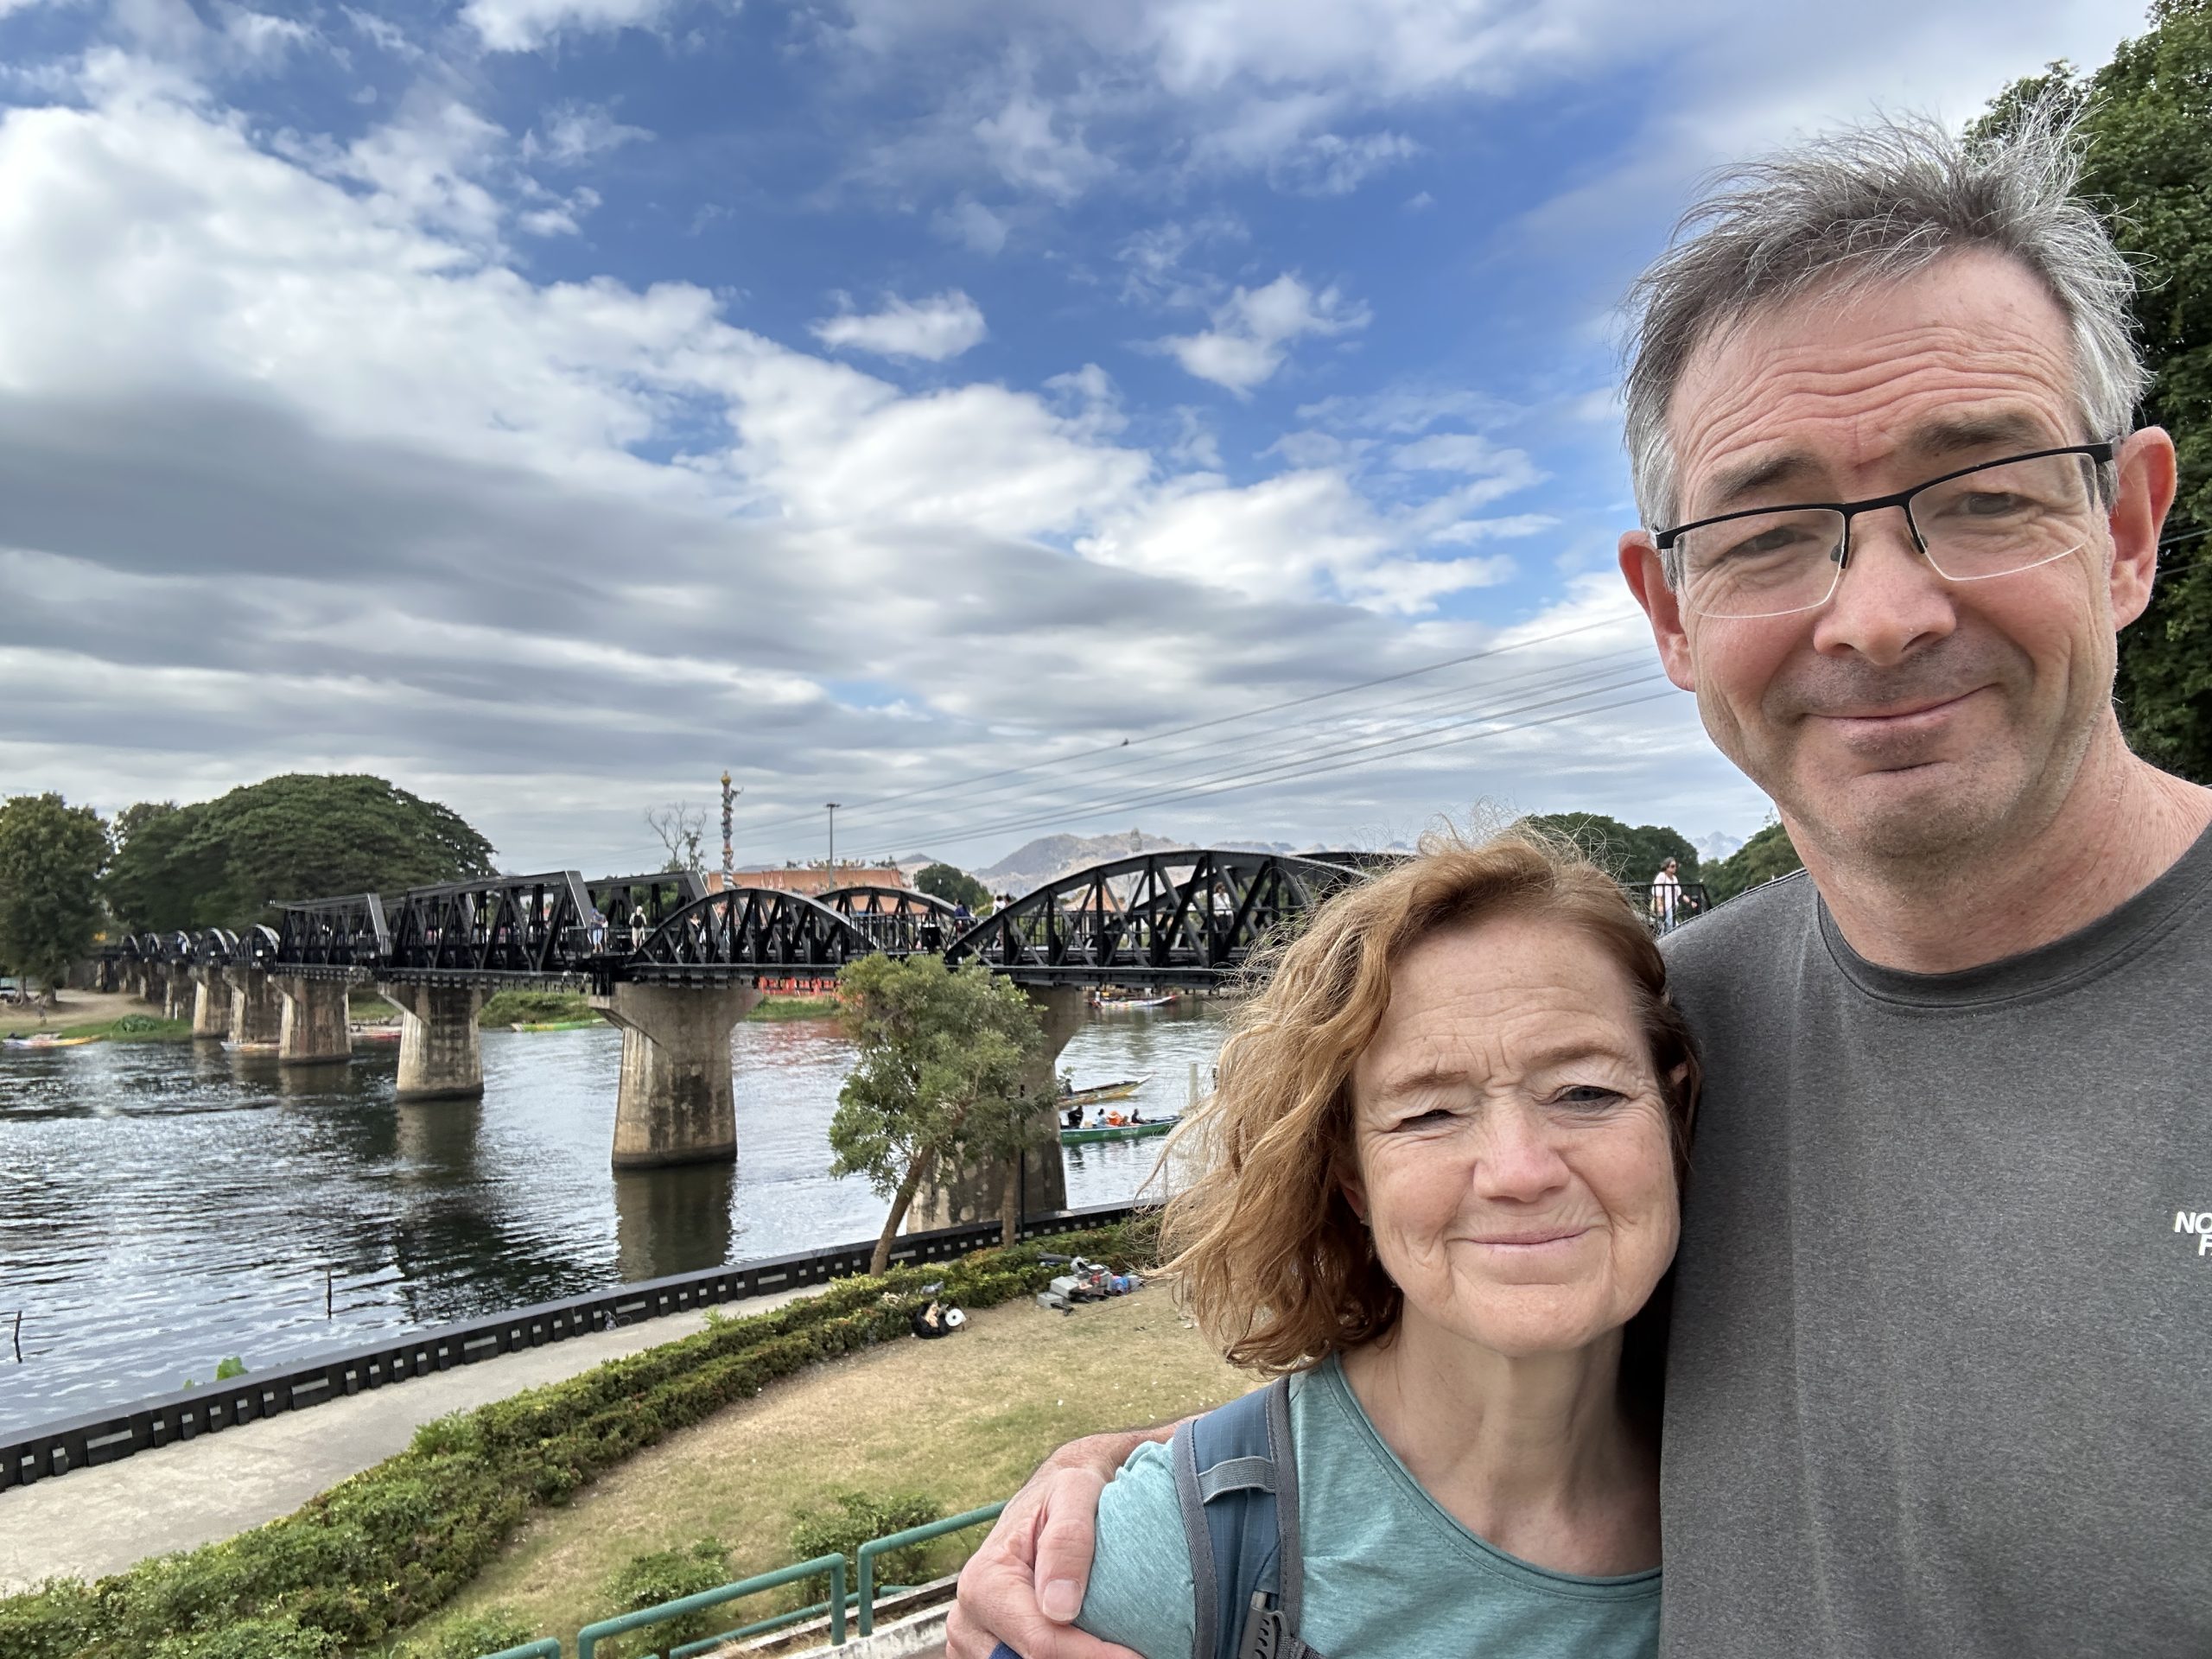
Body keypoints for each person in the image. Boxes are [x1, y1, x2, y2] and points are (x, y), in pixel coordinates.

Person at [950, 110, 2212, 1659]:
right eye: (1766, 532)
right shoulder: (1692, 1016)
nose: (1880, 613)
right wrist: (1168, 1508)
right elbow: (1491, 1318)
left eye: (1986, 491)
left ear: (2130, 528)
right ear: (1669, 611)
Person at [1071, 836, 1691, 1657]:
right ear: (1352, 1181)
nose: (1518, 1171)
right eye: (1429, 1113)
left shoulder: (1789, 1499)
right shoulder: (1167, 1561)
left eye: (1586, 1091)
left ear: (1674, 1121)